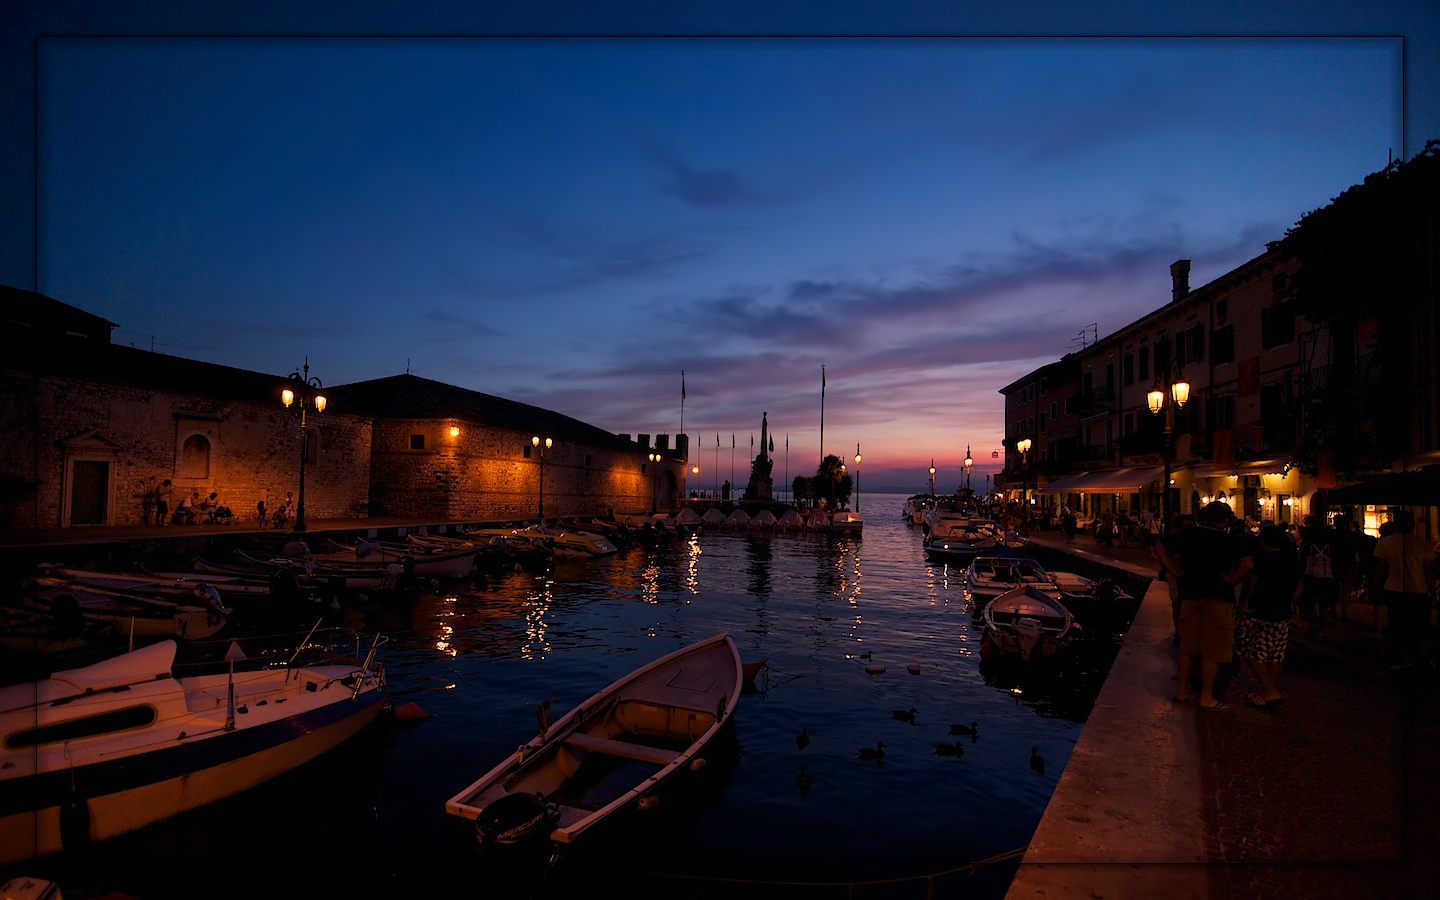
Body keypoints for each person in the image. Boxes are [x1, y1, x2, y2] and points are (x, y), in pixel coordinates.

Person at [1156, 500, 1253, 711]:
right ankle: (1206, 697)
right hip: (1218, 597)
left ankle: (1181, 692)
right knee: (1213, 649)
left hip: (1191, 595)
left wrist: (1175, 571)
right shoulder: (1230, 540)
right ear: (1225, 520)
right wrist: (1232, 580)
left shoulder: (1189, 534)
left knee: (1188, 646)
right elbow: (1247, 565)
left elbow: (1161, 548)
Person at [1236, 524, 1303, 707]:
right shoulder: (1290, 560)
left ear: (1262, 541)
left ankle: (1269, 690)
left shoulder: (1261, 559)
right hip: (1282, 611)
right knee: (1275, 653)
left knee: (1251, 651)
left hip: (1261, 610)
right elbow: (1300, 583)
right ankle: (1268, 690)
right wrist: (1291, 600)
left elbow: (1252, 583)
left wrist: (1243, 604)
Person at [1370, 510, 1438, 671]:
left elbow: (1379, 570)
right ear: (1413, 525)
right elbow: (1429, 572)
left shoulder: (1385, 543)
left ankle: (1405, 658)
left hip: (1394, 587)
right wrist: (1433, 593)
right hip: (1418, 587)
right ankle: (1422, 653)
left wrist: (1375, 588)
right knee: (1421, 622)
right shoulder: (1422, 544)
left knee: (1399, 623)